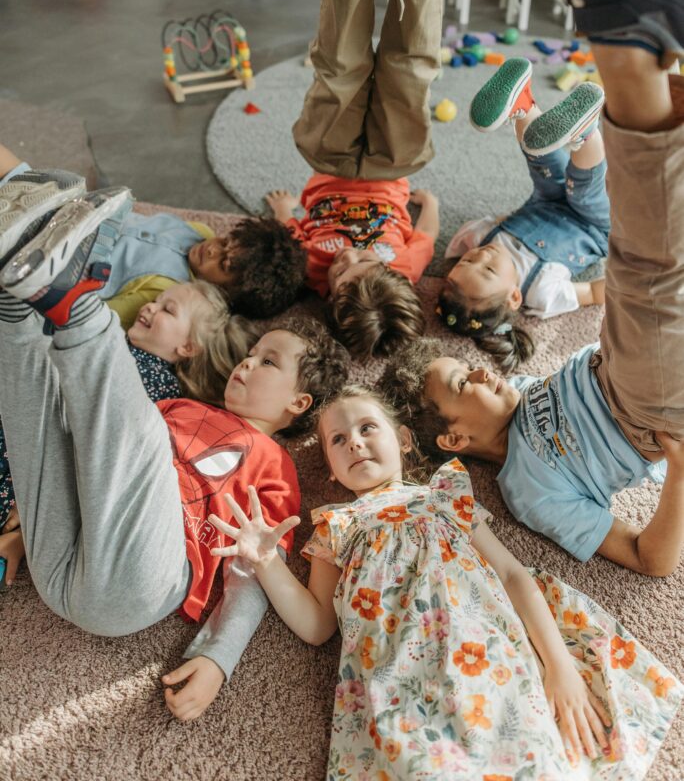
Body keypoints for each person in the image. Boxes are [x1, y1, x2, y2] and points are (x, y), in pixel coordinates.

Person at [383, 0, 684, 574]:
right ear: (455, 439)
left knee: (648, 249)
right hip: (649, 406)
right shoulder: (525, 487)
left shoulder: (529, 393)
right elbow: (649, 560)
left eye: (465, 365)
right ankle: (618, 3)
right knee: (639, 263)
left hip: (620, 362)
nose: (482, 369)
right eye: (463, 381)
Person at [0, 179, 350, 719]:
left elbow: (252, 572)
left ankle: (76, 303)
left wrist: (217, 657)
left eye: (269, 363)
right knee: (52, 419)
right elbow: (81, 452)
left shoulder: (274, 466)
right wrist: (27, 521)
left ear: (298, 403)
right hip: (60, 568)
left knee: (136, 428)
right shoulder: (180, 408)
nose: (249, 363)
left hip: (141, 583)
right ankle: (14, 309)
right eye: (253, 353)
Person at [209, 386, 682, 779]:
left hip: (484, 653)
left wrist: (559, 666)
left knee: (525, 750)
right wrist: (267, 563)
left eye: (367, 428)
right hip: (398, 680)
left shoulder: (444, 495)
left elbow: (516, 576)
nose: (354, 442)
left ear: (405, 439)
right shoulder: (335, 524)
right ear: (330, 472)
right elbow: (317, 626)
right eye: (338, 439)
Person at [265, 0, 444, 358]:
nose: (342, 260)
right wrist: (429, 205)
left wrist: (287, 212)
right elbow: (426, 237)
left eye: (337, 278)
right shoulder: (406, 267)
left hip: (330, 159)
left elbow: (296, 235)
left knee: (339, 67)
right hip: (393, 165)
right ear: (388, 270)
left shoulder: (316, 272)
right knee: (410, 70)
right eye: (358, 265)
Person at [0, 278, 256, 586]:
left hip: (30, 458)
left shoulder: (157, 388)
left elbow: (95, 450)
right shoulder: (118, 344)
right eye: (157, 300)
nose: (150, 306)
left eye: (168, 310)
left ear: (188, 347)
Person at [0, 145, 307, 326]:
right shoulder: (199, 232)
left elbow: (93, 316)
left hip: (46, 252)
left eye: (224, 265)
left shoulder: (166, 290)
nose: (213, 250)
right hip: (73, 208)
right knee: (29, 173)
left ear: (226, 295)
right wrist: (284, 213)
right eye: (226, 242)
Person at [437, 58, 608, 370]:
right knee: (584, 186)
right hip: (592, 225)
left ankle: (522, 104)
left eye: (469, 260)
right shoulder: (541, 291)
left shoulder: (477, 239)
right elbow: (596, 292)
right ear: (514, 297)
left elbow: (493, 224)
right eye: (488, 270)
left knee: (542, 161)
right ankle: (586, 133)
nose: (483, 255)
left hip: (545, 202)